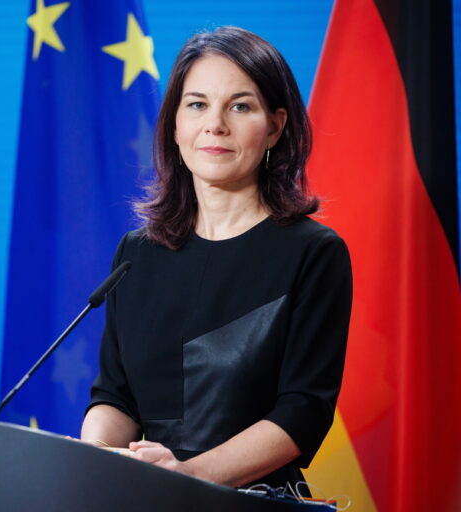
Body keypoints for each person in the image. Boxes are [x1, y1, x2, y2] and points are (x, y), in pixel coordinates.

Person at [81, 26, 352, 490]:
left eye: (240, 106)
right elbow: (115, 397)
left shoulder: (314, 253)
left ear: (275, 126)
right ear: (175, 125)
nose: (215, 125)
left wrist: (188, 477)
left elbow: (303, 411)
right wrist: (95, 461)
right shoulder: (137, 254)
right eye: (198, 104)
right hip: (149, 497)